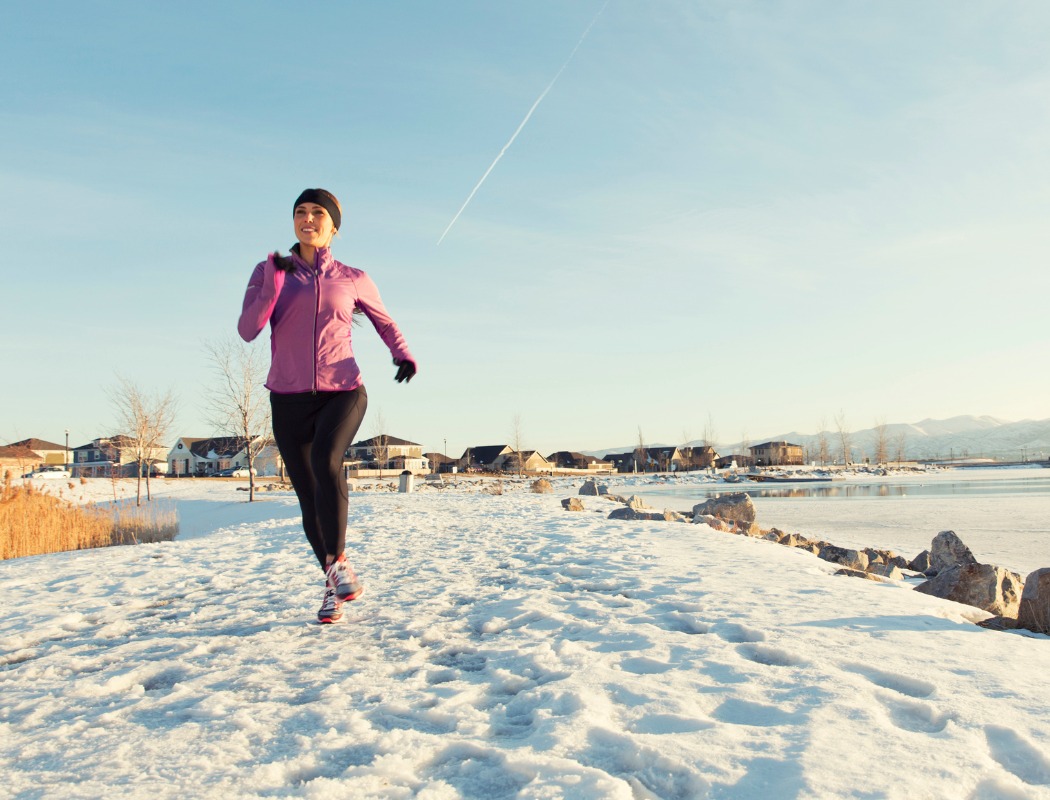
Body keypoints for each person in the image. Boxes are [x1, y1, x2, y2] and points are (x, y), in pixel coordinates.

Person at [238, 188, 416, 623]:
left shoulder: (353, 277)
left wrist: (403, 353)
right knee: (308, 498)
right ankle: (334, 581)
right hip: (288, 397)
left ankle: (337, 565)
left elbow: (384, 320)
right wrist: (274, 283)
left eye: (319, 213)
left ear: (334, 226)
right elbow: (248, 330)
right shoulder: (268, 271)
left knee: (326, 459)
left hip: (343, 390)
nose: (308, 219)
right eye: (301, 212)